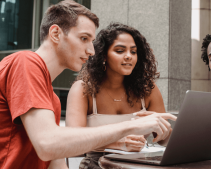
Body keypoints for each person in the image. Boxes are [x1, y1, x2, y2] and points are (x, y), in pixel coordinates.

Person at [0, 1, 176, 168]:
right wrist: (131, 126)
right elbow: (48, 144)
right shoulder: (25, 62)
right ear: (55, 34)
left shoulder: (52, 100)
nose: (91, 51)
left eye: (92, 42)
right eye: (84, 39)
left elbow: (58, 163)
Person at [65, 22, 171, 168]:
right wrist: (117, 144)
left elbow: (163, 141)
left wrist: (165, 133)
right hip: (97, 165)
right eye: (120, 51)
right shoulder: (83, 89)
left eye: (133, 52)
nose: (129, 56)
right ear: (103, 55)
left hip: (139, 165)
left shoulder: (148, 90)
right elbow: (72, 142)